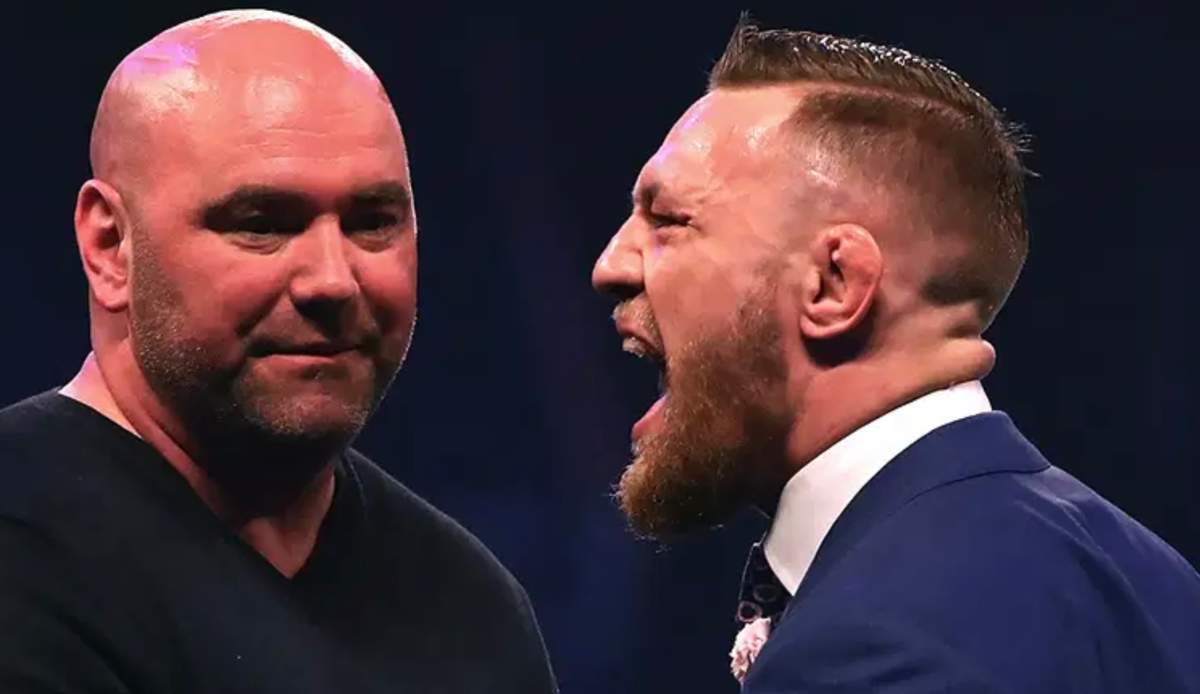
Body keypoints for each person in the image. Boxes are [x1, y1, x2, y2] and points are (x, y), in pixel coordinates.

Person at [592, 17, 1200, 693]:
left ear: (834, 284)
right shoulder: (1152, 581)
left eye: (668, 221)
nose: (610, 264)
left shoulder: (875, 646)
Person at [0, 10, 556, 694]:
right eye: (262, 224)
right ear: (111, 246)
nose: (332, 279)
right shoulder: (22, 550)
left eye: (372, 223)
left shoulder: (471, 607)